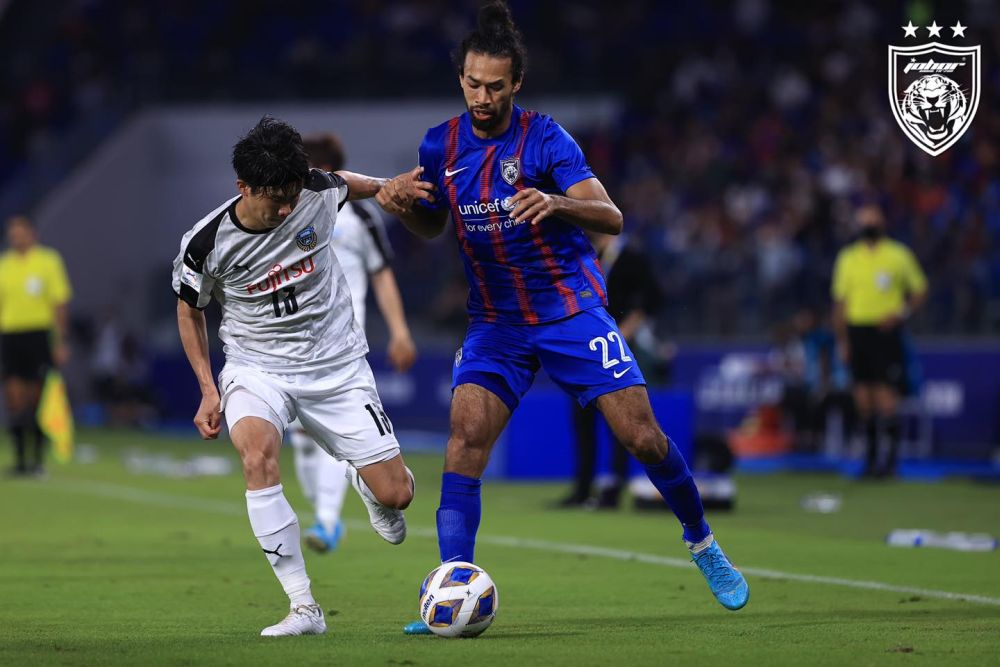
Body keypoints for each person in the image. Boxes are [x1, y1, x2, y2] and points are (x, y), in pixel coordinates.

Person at [381, 2, 749, 634]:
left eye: (496, 86)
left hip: (570, 311)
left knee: (642, 437)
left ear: (515, 83)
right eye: (473, 83)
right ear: (461, 78)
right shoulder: (438, 144)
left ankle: (702, 542)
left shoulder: (547, 138)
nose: (483, 96)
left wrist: (553, 201)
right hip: (496, 321)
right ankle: (449, 592)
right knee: (466, 438)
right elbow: (434, 222)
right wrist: (399, 206)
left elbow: (612, 217)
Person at [172, 116, 431, 637]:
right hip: (257, 366)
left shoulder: (314, 189)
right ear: (243, 187)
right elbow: (189, 310)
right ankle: (304, 608)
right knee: (256, 456)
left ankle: (365, 478)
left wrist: (388, 188)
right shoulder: (207, 242)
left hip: (336, 365)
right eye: (276, 199)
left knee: (397, 495)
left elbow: (348, 183)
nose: (288, 209)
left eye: (294, 194)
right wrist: (207, 386)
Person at [289, 133, 418, 554]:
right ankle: (328, 513)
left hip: (343, 345)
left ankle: (327, 522)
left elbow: (381, 273)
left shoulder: (360, 217)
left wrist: (399, 330)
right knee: (306, 440)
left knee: (336, 434)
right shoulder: (289, 215)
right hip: (292, 344)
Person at [557, 231, 663, 509]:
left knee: (622, 421)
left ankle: (613, 488)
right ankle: (582, 488)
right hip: (585, 348)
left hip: (617, 347)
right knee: (582, 418)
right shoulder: (585, 256)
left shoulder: (632, 256)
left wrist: (624, 332)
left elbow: (649, 297)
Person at [832, 204, 928, 478]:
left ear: (882, 224)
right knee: (863, 398)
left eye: (872, 221)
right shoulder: (848, 257)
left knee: (887, 396)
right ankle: (871, 461)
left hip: (885, 333)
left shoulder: (898, 255)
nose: (868, 226)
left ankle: (891, 463)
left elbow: (920, 289)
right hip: (857, 331)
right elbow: (840, 302)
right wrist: (843, 340)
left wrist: (901, 313)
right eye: (864, 221)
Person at [0, 215, 71, 476]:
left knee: (38, 400)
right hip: (10, 337)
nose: (16, 237)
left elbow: (59, 303)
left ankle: (37, 460)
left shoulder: (48, 261)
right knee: (14, 400)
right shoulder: (4, 265)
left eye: (20, 232)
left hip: (39, 336)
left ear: (31, 233)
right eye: (12, 233)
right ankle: (19, 461)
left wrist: (60, 341)